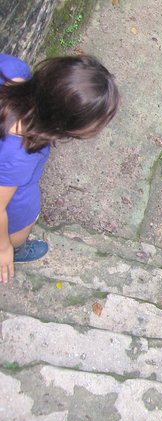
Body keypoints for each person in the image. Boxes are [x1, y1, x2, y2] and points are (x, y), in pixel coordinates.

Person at [0, 53, 119, 283]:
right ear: (61, 123)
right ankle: (17, 251)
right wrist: (4, 247)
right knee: (17, 237)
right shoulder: (19, 154)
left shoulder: (14, 68)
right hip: (13, 206)